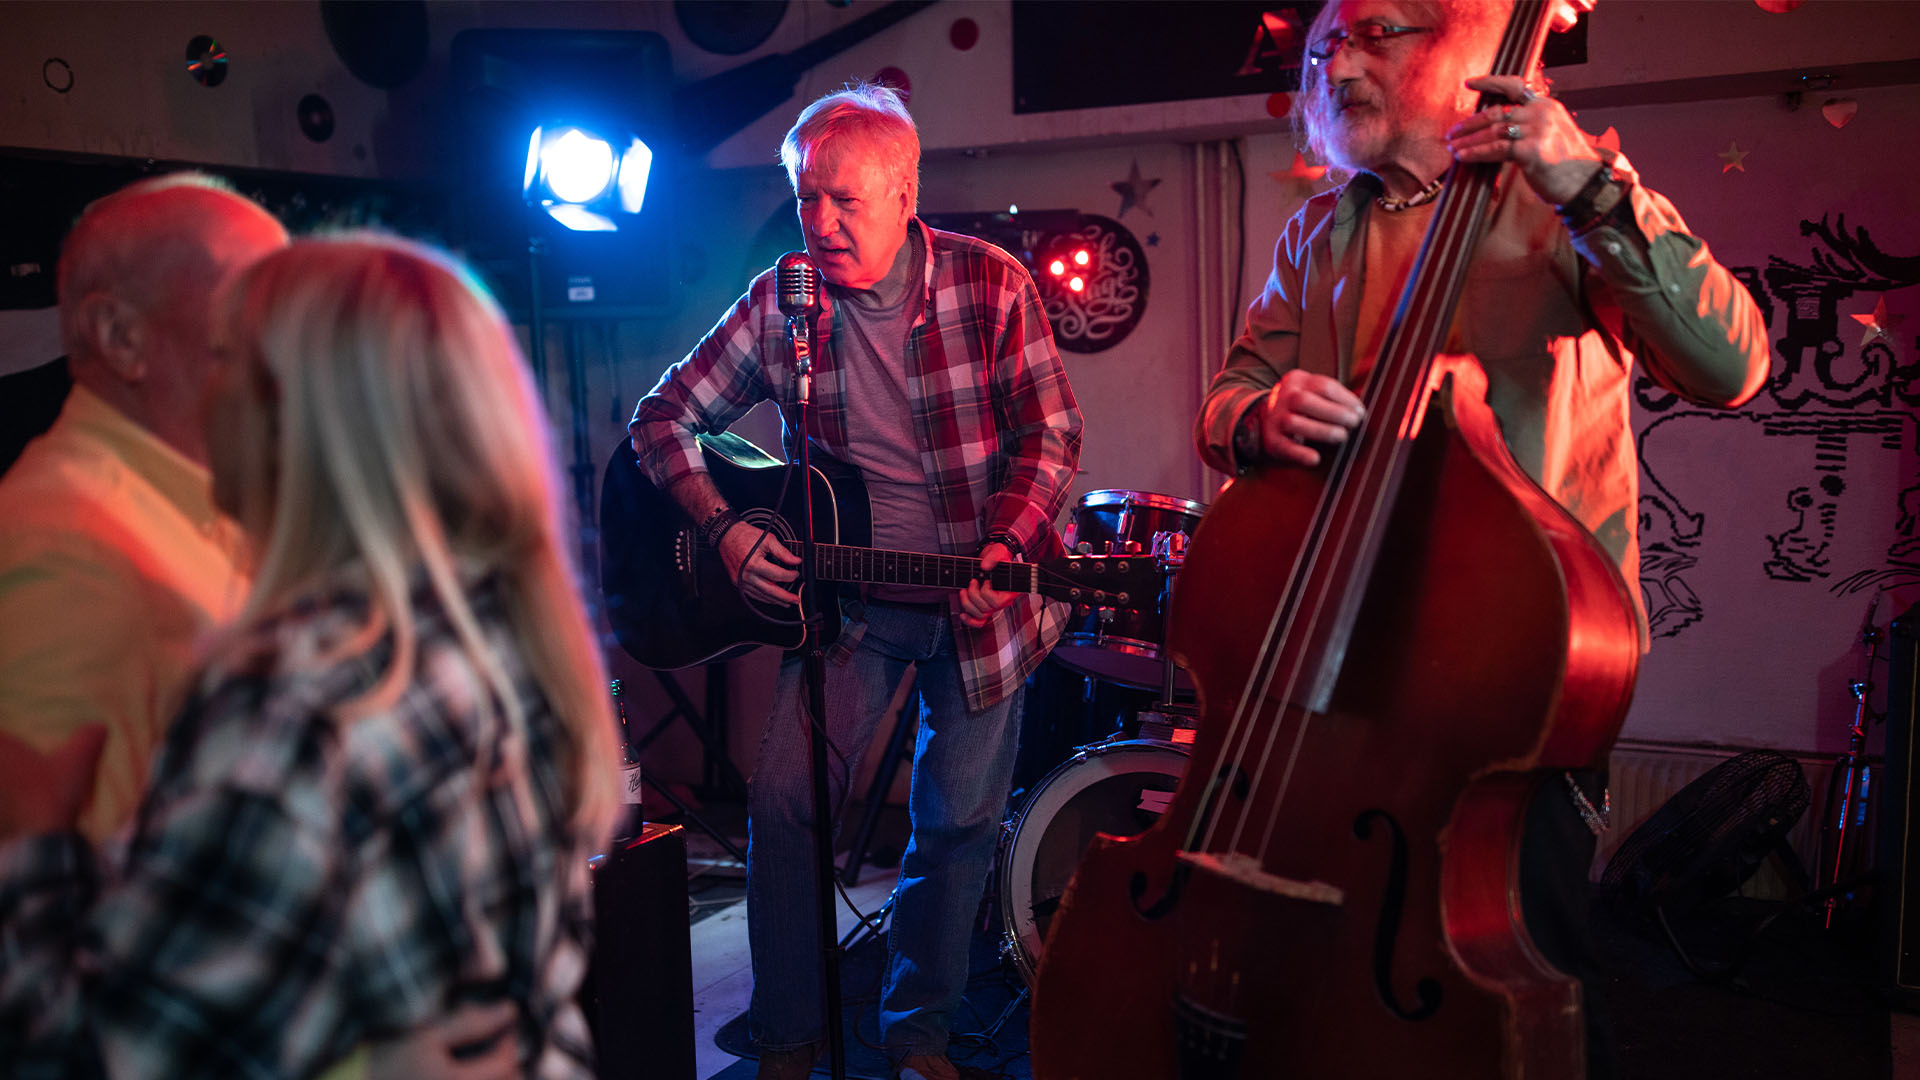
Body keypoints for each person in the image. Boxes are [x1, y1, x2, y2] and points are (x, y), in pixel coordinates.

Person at [1194, 1, 1768, 1075]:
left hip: (1514, 669)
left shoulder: (1566, 199)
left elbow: (1731, 366)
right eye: (1323, 50)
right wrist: (1255, 421)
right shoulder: (1319, 230)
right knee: (1332, 951)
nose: (1338, 65)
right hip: (1345, 647)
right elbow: (1230, 394)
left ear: (1467, 38)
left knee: (1517, 972)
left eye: (1375, 33)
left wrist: (1590, 188)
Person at [0, 234, 622, 1079]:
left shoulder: (297, 695)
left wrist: (32, 848)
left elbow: (95, 1060)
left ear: (300, 415)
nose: (205, 395)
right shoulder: (493, 622)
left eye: (227, 359)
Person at [629, 83, 1082, 1080]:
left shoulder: (992, 283)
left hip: (983, 611)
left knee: (957, 824)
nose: (823, 225)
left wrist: (1006, 550)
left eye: (846, 202)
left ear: (906, 191)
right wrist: (724, 528)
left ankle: (917, 1035)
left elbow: (1050, 439)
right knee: (787, 807)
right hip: (845, 615)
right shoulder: (781, 301)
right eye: (806, 200)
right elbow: (661, 417)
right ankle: (788, 1038)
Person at [0, 174, 287, 845]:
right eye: (249, 303)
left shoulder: (195, 506)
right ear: (120, 337)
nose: (285, 343)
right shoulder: (72, 550)